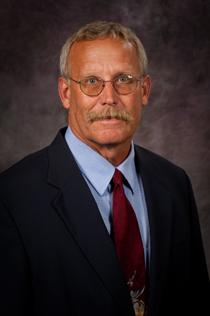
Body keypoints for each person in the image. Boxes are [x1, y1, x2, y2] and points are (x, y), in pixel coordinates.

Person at [0, 21, 209, 316]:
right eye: (91, 82)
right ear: (65, 93)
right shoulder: (11, 198)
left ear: (145, 90)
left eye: (123, 79)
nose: (109, 97)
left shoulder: (174, 183)